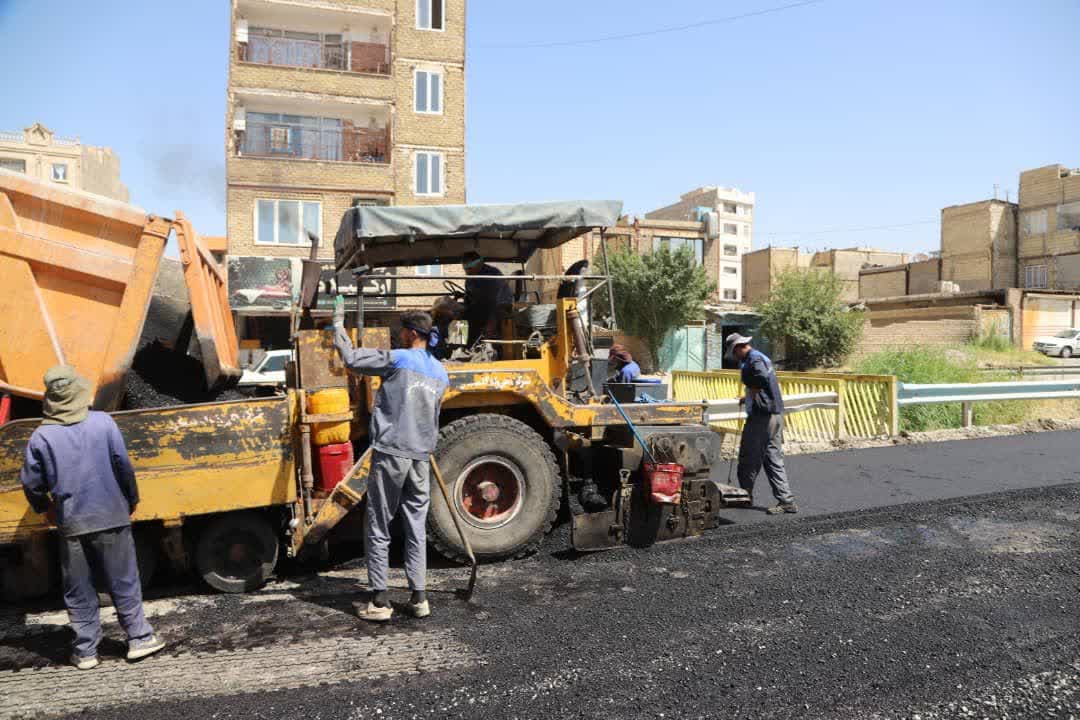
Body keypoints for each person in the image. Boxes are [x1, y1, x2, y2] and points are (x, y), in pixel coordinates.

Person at [19, 366, 165, 670]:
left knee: (79, 588)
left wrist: (44, 507)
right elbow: (123, 466)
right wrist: (131, 499)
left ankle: (86, 650)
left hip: (72, 521)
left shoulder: (42, 436)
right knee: (123, 580)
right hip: (111, 513)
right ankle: (139, 638)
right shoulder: (104, 423)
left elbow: (32, 483)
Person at [332, 298, 449, 622]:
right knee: (415, 526)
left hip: (393, 452)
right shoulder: (441, 372)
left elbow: (352, 359)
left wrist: (338, 325)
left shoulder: (398, 358)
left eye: (401, 332)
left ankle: (380, 602)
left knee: (379, 523)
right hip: (421, 457)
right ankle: (419, 598)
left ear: (412, 333)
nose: (398, 337)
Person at [725, 334, 798, 515]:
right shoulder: (760, 357)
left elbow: (762, 378)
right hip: (774, 415)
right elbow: (765, 385)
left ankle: (744, 497)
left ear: (739, 348)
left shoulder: (754, 359)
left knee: (748, 458)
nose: (735, 357)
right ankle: (786, 501)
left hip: (762, 418)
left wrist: (752, 391)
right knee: (772, 458)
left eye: (734, 353)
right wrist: (749, 396)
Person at [462, 251, 513, 346]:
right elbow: (469, 296)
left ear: (479, 264)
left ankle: (481, 344)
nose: (467, 272)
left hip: (500, 306)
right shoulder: (470, 278)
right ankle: (461, 345)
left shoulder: (492, 274)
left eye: (469, 268)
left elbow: (494, 300)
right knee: (460, 315)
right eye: (465, 269)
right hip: (481, 306)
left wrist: (491, 321)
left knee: (470, 318)